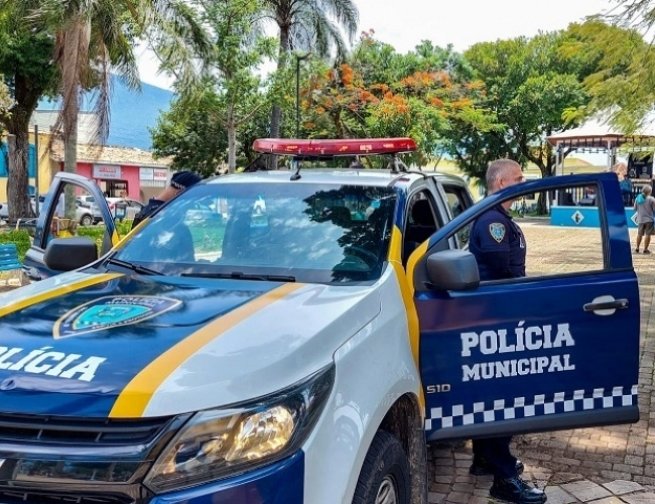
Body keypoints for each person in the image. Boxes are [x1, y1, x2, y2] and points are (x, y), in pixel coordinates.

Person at [468, 159, 547, 504]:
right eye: (518, 178)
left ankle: (485, 458)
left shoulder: (498, 217)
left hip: (499, 314)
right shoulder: (493, 222)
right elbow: (503, 272)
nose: (523, 182)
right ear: (501, 183)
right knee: (503, 398)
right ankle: (503, 479)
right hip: (499, 317)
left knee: (492, 394)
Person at [131, 170, 201, 229]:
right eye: (191, 200)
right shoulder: (168, 218)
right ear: (180, 193)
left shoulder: (146, 211)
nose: (193, 206)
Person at [634, 184, 655, 254]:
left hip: (640, 219)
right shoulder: (651, 199)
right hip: (649, 220)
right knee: (648, 234)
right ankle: (645, 249)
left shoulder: (637, 198)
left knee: (639, 234)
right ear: (650, 191)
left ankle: (637, 248)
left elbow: (635, 209)